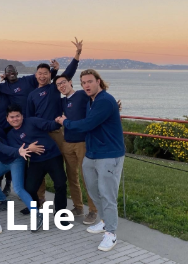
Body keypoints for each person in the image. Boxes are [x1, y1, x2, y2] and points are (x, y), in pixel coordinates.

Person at [56, 69, 125, 252]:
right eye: (83, 82)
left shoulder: (104, 101)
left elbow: (87, 124)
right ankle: (104, 221)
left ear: (98, 82)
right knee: (94, 192)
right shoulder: (91, 101)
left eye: (89, 81)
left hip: (109, 155)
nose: (86, 85)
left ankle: (111, 234)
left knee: (107, 195)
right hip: (92, 154)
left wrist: (65, 122)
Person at [26, 37, 82, 206]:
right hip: (40, 135)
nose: (42, 76)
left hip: (58, 133)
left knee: (64, 171)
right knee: (38, 168)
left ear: (50, 75)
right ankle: (39, 200)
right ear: (36, 75)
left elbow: (69, 73)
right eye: (39, 73)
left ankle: (76, 205)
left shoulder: (54, 88)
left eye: (45, 73)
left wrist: (77, 54)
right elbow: (30, 117)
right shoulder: (32, 95)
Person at [0, 121, 45, 230]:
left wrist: (18, 152)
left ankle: (37, 214)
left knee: (18, 189)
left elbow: (7, 150)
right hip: (3, 161)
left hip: (16, 160)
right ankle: (5, 201)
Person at [6, 105, 68, 220]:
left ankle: (61, 214)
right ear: (7, 119)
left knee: (60, 184)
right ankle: (35, 209)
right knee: (30, 189)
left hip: (52, 156)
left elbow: (49, 125)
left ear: (22, 116)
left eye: (17, 116)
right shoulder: (11, 136)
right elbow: (19, 151)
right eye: (12, 117)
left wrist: (59, 122)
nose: (15, 119)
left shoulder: (32, 121)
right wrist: (30, 149)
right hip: (36, 161)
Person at [54, 74, 98, 225]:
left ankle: (93, 210)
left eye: (63, 82)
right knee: (72, 177)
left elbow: (96, 100)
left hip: (82, 143)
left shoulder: (80, 95)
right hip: (67, 142)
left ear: (70, 82)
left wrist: (113, 107)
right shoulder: (62, 102)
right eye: (58, 84)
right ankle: (78, 207)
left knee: (87, 178)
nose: (61, 86)